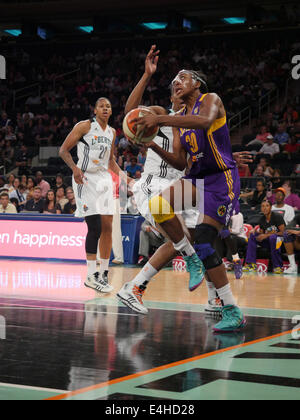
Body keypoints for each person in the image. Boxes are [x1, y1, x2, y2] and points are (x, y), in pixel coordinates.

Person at [127, 53, 246, 332]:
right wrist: (152, 144)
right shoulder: (177, 118)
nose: (176, 82)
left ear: (197, 84)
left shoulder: (211, 100)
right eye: (174, 79)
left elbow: (204, 122)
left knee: (205, 242)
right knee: (159, 206)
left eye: (182, 77)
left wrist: (163, 117)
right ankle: (189, 257)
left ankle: (231, 308)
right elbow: (180, 162)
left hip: (220, 181)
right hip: (195, 178)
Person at [59, 97, 132, 294]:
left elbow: (111, 162)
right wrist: (74, 168)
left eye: (108, 106)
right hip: (85, 179)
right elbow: (64, 150)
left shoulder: (111, 132)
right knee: (95, 226)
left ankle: (103, 274)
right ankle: (91, 275)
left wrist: (126, 179)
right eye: (102, 106)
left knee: (108, 226)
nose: (106, 109)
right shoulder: (84, 126)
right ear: (95, 109)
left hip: (104, 179)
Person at [243, 200, 285, 274]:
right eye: (263, 206)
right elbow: (262, 233)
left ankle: (277, 266)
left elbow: (283, 232)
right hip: (268, 241)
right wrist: (255, 231)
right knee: (253, 236)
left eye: (267, 206)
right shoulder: (262, 219)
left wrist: (266, 235)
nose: (264, 208)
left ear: (271, 207)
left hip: (279, 241)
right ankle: (251, 264)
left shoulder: (277, 216)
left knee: (273, 238)